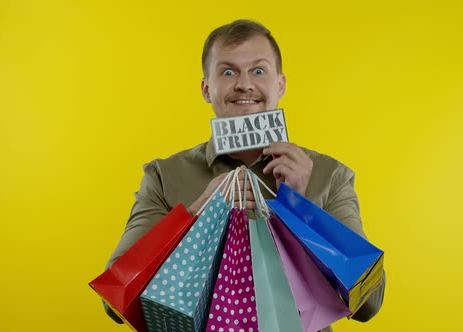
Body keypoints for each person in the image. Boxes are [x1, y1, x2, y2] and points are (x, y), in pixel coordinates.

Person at [103, 19, 385, 331]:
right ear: (206, 89)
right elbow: (116, 297)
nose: (244, 84)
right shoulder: (163, 176)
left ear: (280, 84)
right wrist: (193, 215)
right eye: (228, 71)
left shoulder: (329, 175)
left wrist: (300, 212)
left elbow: (369, 303)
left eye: (258, 71)